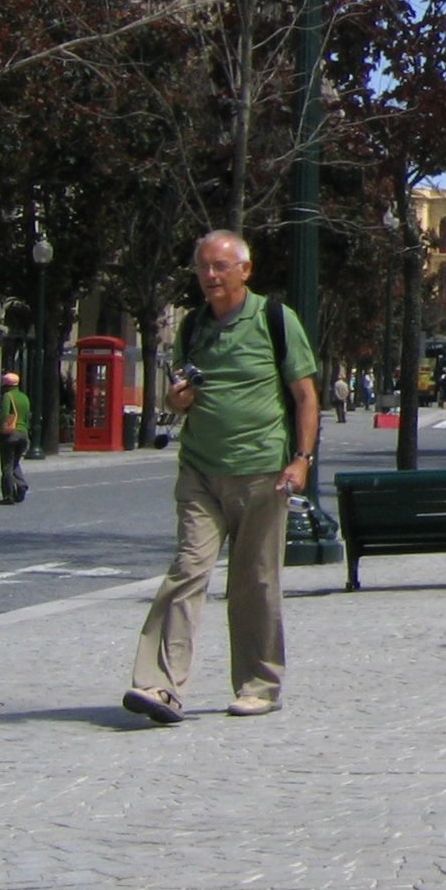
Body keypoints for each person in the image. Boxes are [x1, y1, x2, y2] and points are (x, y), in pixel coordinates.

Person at [122, 230, 320, 723]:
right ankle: (159, 685)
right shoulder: (193, 327)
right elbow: (179, 392)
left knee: (255, 581)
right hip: (201, 470)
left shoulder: (275, 320)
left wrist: (302, 458)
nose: (210, 276)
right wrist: (176, 400)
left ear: (244, 271)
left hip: (262, 471)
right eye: (203, 267)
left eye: (220, 267)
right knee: (187, 570)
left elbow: (305, 395)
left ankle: (259, 684)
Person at [0, 371, 30, 504]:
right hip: (23, 433)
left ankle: (8, 495)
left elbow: (4, 415)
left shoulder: (7, 396)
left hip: (10, 434)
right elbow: (27, 418)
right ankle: (21, 485)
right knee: (15, 462)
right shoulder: (24, 397)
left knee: (6, 466)